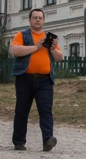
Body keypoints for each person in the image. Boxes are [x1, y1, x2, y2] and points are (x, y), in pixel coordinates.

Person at [11, 8, 62, 151]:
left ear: (44, 20)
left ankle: (48, 140)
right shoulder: (22, 35)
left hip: (45, 80)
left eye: (40, 18)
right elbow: (15, 51)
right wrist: (36, 47)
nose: (38, 20)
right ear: (30, 20)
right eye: (35, 17)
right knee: (22, 110)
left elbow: (59, 57)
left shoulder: (49, 38)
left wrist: (52, 49)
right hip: (25, 79)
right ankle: (19, 142)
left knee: (46, 110)